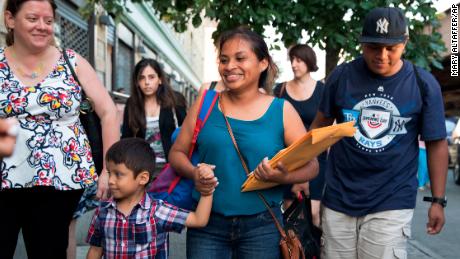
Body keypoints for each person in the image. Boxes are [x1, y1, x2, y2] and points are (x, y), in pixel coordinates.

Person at [310, 7, 448, 258]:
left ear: (404, 43)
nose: (382, 55)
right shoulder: (342, 76)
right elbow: (318, 128)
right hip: (339, 197)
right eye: (373, 47)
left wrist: (437, 200)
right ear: (362, 44)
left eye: (391, 48)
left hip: (392, 200)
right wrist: (304, 178)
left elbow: (437, 144)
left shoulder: (423, 84)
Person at [169, 27, 319, 258]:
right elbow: (177, 153)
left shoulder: (282, 111)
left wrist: (281, 177)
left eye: (240, 58)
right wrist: (194, 172)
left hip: (263, 227)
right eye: (224, 60)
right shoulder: (205, 103)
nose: (229, 66)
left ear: (263, 63)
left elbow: (312, 166)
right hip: (206, 224)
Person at [0, 1, 119, 258]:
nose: (42, 26)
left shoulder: (72, 61)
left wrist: (109, 170)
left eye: (48, 20)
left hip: (58, 182)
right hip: (3, 176)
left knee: (49, 251)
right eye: (33, 19)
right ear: (10, 19)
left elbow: (108, 112)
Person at [86, 138, 214, 259]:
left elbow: (199, 220)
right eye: (109, 173)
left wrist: (207, 187)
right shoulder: (102, 211)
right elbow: (96, 250)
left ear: (143, 178)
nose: (111, 181)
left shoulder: (158, 211)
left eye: (118, 174)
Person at [274, 43, 325, 227]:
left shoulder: (322, 90)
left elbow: (328, 126)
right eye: (292, 60)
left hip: (316, 159)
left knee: (313, 213)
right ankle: (293, 252)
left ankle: (312, 252)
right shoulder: (280, 90)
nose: (294, 64)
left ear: (309, 61)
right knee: (290, 212)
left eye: (299, 60)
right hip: (288, 159)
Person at [121, 58, 187, 169]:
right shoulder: (132, 103)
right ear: (137, 82)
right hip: (143, 168)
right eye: (142, 78)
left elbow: (187, 133)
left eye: (151, 77)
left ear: (160, 79)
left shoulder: (175, 100)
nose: (147, 82)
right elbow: (126, 138)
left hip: (171, 168)